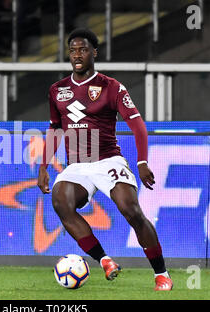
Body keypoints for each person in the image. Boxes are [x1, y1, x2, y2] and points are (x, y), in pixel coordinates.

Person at [37, 28, 173, 291]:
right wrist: (44, 165)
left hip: (108, 160)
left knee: (131, 210)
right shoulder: (57, 90)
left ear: (94, 52)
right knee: (60, 201)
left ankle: (161, 274)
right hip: (77, 165)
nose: (77, 55)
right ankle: (105, 260)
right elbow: (55, 128)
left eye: (83, 49)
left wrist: (142, 162)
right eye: (73, 50)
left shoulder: (111, 87)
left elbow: (138, 126)